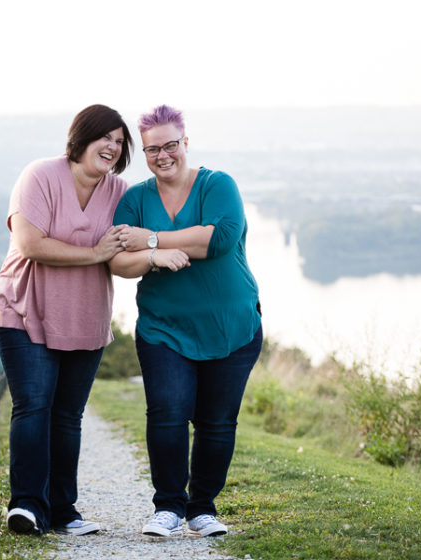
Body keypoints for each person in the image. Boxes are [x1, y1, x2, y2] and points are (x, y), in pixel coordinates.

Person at [109, 105, 263, 538]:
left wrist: (151, 238)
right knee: (168, 413)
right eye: (152, 149)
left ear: (185, 143)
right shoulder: (135, 199)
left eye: (170, 145)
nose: (163, 155)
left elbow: (218, 238)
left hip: (231, 327)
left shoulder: (218, 185)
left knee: (217, 421)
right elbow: (119, 261)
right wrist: (153, 256)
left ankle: (203, 509)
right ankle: (169, 508)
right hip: (164, 329)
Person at [0, 104, 133, 536]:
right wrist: (94, 253)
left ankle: (64, 510)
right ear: (81, 137)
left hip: (85, 316)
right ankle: (27, 506)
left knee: (68, 415)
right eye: (104, 136)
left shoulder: (120, 192)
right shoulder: (40, 175)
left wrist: (165, 252)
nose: (112, 146)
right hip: (24, 309)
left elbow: (127, 251)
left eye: (120, 140)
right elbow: (31, 243)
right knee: (34, 405)